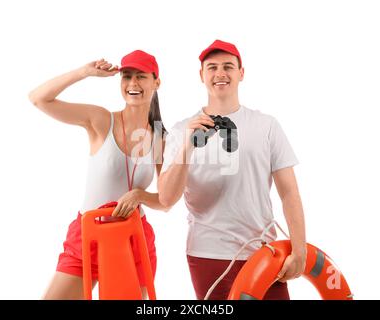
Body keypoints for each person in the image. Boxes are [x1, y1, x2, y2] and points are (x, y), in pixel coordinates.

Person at [158, 40, 306, 300]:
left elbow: (289, 192)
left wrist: (300, 249)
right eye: (212, 67)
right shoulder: (182, 130)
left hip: (264, 252)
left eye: (228, 66)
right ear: (202, 75)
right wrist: (186, 147)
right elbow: (166, 198)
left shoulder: (266, 125)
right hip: (207, 253)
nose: (220, 74)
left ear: (241, 73)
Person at [29, 50, 169, 299]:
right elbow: (39, 99)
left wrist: (140, 195)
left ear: (156, 82)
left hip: (132, 241)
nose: (133, 84)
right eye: (126, 76)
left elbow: (166, 201)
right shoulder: (101, 120)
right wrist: (84, 72)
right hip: (88, 237)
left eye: (141, 77)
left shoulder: (160, 137)